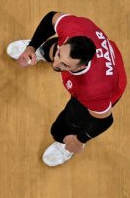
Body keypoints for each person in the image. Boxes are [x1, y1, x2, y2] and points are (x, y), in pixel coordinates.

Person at [7, 12, 126, 166]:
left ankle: (66, 147)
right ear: (69, 39)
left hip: (106, 91)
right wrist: (31, 47)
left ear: (82, 66)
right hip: (88, 60)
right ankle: (39, 52)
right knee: (51, 47)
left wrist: (79, 140)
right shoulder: (74, 28)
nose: (56, 65)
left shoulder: (93, 91)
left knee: (60, 129)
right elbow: (51, 18)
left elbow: (104, 121)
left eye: (65, 65)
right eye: (58, 56)